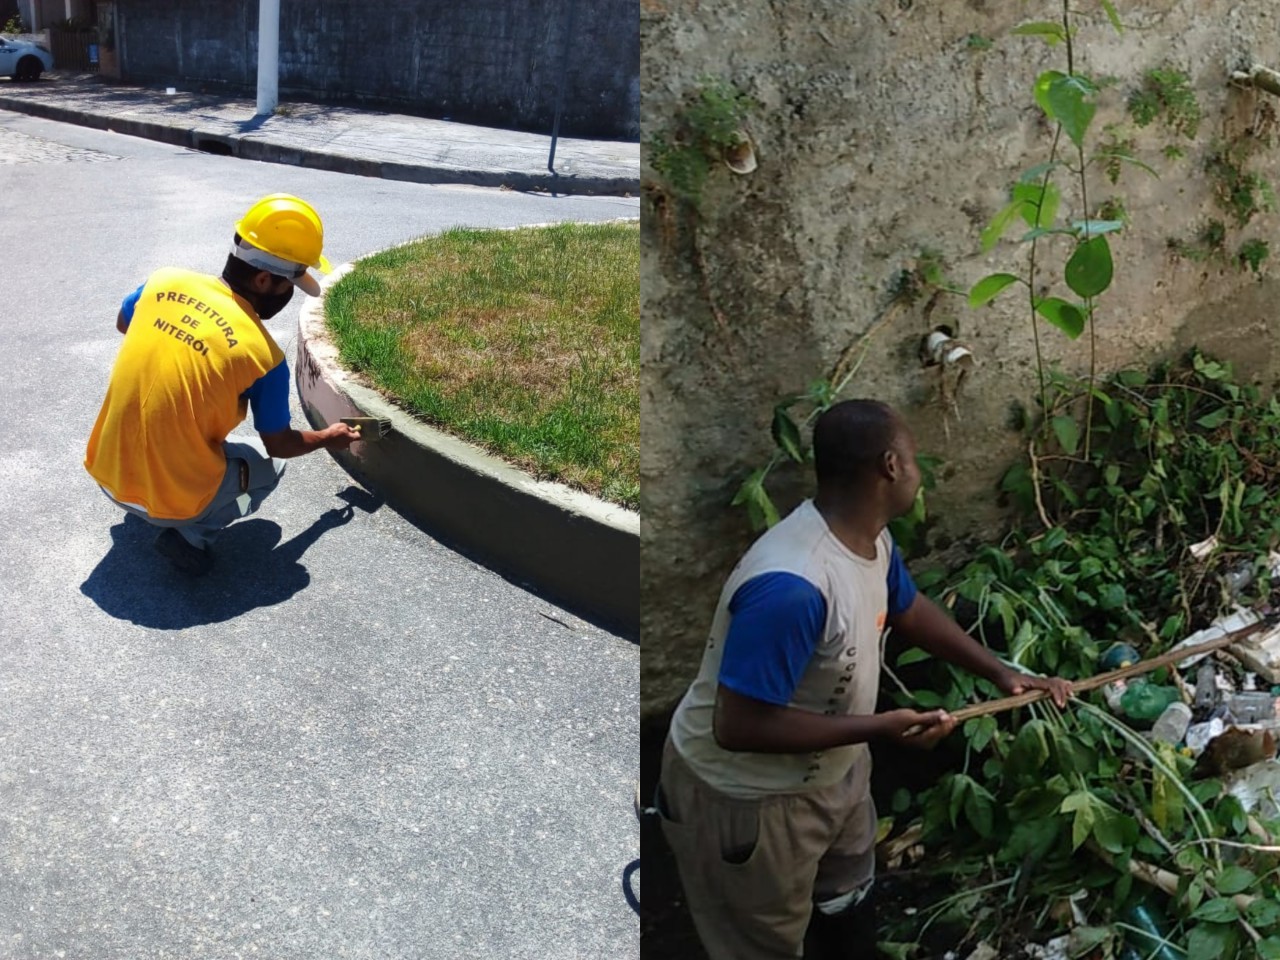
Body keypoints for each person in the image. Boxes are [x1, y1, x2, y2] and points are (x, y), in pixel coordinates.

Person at [656, 399, 1073, 960]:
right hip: (750, 803)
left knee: (845, 898)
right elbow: (738, 725)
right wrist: (878, 727)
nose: (918, 471)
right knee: (760, 941)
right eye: (914, 457)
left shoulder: (868, 539)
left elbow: (906, 606)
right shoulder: (793, 586)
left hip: (837, 773)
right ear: (890, 466)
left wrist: (1001, 672)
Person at [84, 193, 361, 576]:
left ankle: (152, 497)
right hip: (170, 501)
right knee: (271, 467)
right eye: (289, 286)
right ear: (264, 279)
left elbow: (123, 323)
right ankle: (192, 533)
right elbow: (280, 444)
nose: (287, 296)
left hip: (105, 473)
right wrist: (331, 436)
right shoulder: (264, 357)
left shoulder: (163, 281)